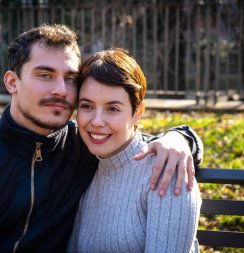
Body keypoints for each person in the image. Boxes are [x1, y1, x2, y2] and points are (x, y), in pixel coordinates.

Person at [0, 24, 203, 253]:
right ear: (11, 82)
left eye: (70, 78)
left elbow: (132, 144)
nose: (61, 90)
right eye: (45, 75)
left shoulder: (85, 145)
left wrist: (180, 138)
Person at [68, 48, 201, 253]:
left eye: (112, 108)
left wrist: (180, 137)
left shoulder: (167, 170)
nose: (96, 122)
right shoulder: (85, 164)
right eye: (87, 106)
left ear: (137, 113)